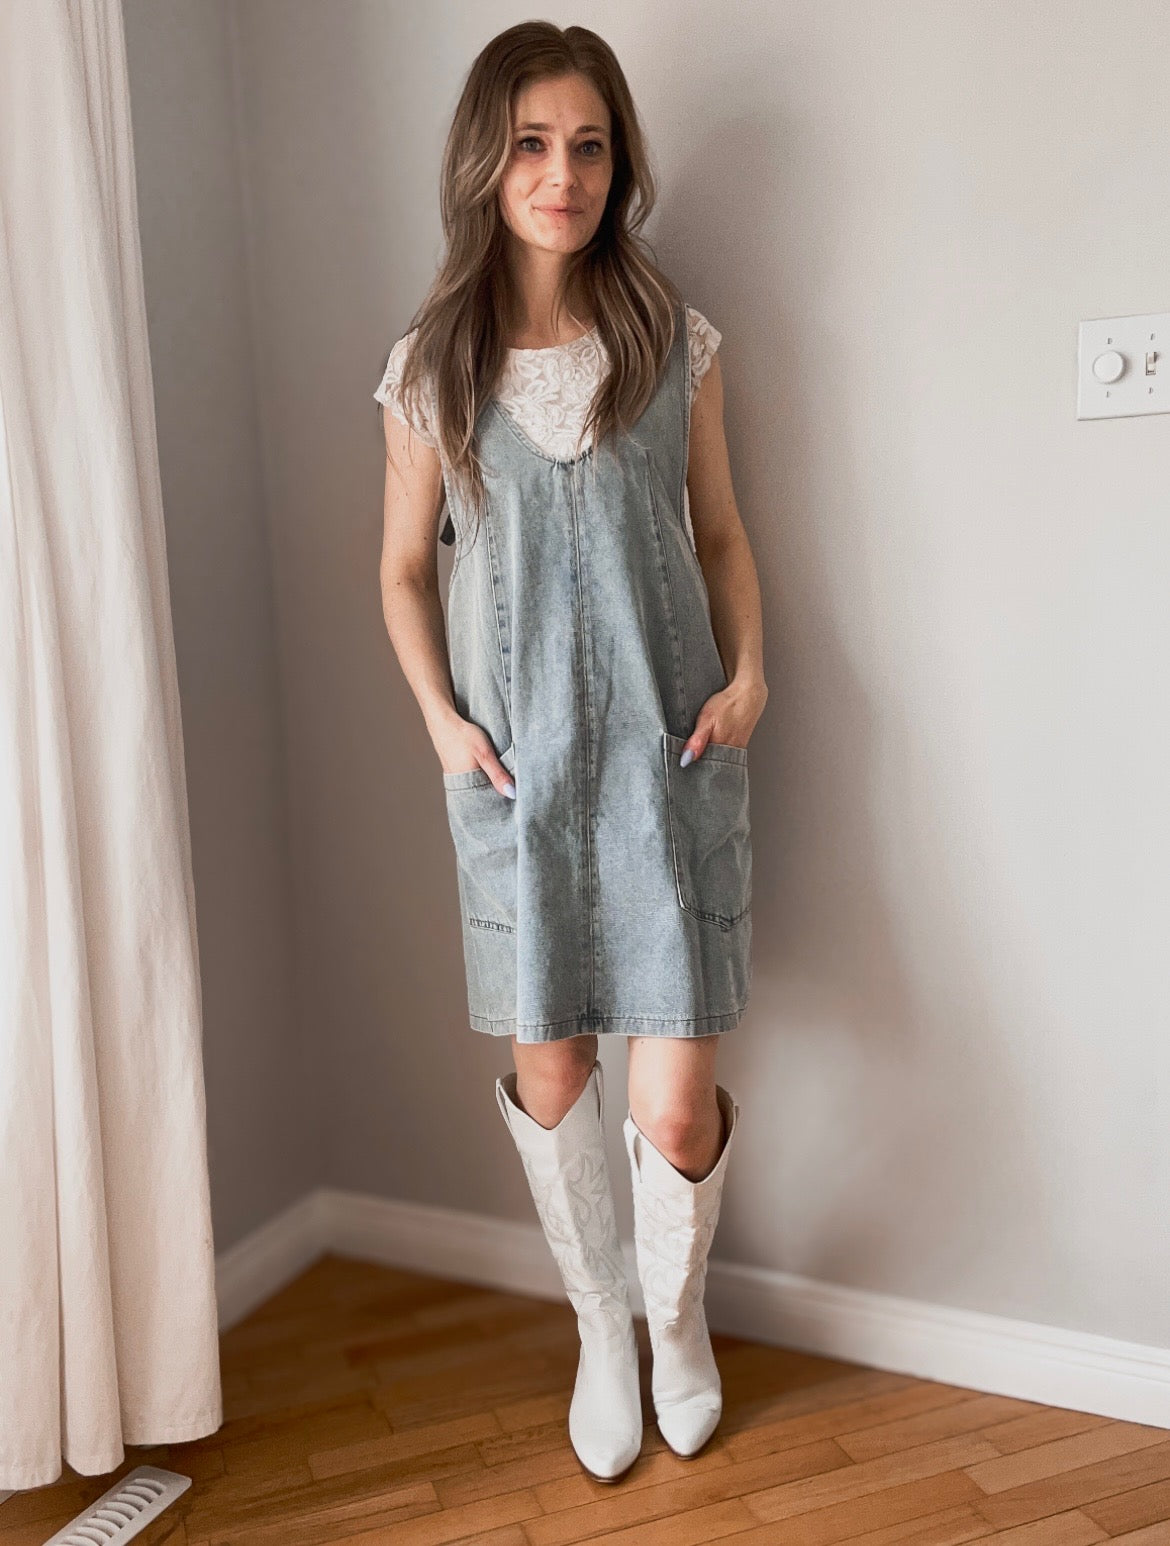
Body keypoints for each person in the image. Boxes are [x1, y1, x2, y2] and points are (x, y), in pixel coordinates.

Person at [373, 21, 767, 1484]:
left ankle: (677, 1321)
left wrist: (753, 674)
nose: (563, 174)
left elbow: (718, 535)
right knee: (553, 1082)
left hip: (668, 758)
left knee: (668, 1099)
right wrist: (442, 722)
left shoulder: (676, 341)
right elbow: (400, 570)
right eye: (534, 144)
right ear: (487, 161)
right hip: (516, 778)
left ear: (619, 163)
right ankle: (603, 1329)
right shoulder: (431, 367)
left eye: (590, 146)